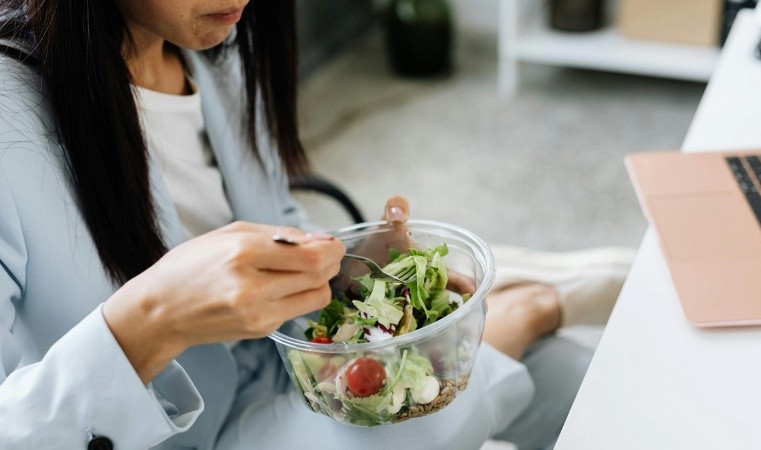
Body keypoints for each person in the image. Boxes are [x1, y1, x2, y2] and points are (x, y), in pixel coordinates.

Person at [0, 1, 631, 449]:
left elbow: (271, 217)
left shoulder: (211, 42)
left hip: (289, 369)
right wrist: (148, 322)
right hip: (181, 432)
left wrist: (340, 271)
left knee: (592, 385)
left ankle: (525, 316)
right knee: (429, 414)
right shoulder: (11, 129)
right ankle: (530, 306)